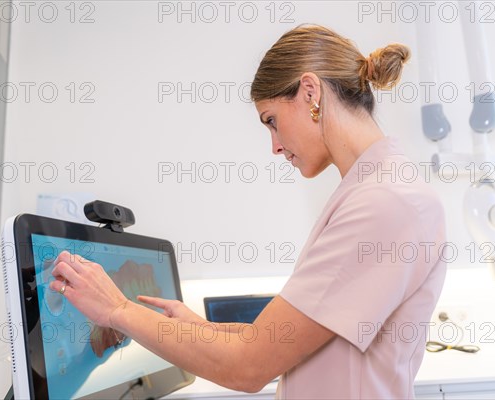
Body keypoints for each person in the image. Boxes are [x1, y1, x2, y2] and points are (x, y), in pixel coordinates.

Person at [50, 24, 447, 399]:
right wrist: (203, 332)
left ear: (310, 93)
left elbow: (249, 367)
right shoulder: (374, 190)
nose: (274, 146)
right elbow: (278, 343)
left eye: (272, 121)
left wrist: (117, 310)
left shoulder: (385, 202)